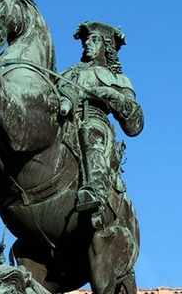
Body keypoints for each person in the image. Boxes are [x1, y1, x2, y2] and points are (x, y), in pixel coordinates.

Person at [57, 22, 144, 225]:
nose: (88, 43)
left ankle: (95, 189)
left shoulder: (118, 79)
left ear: (107, 46)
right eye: (86, 40)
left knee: (91, 129)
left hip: (94, 119)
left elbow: (135, 124)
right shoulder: (67, 73)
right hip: (61, 119)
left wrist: (110, 94)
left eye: (94, 39)